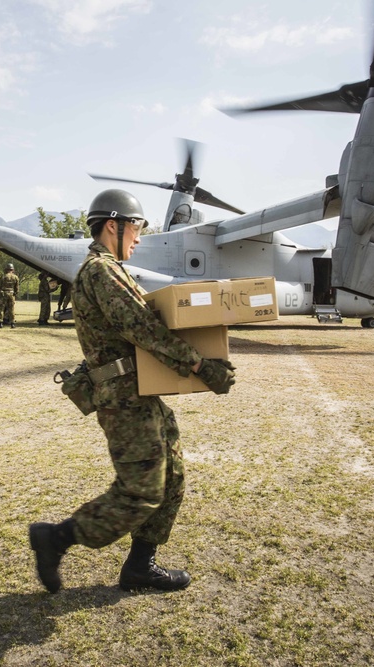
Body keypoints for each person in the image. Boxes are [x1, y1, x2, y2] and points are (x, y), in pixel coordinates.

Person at [28, 189, 235, 593]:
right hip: (122, 396)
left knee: (171, 477)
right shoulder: (101, 270)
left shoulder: (109, 269)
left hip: (140, 390)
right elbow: (142, 327)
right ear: (114, 225)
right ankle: (55, 539)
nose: (139, 238)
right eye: (137, 229)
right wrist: (199, 365)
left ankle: (141, 565)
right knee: (140, 490)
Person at [0, 262, 19, 329]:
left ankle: (0, 323)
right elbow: (17, 288)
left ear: (6, 269)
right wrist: (15, 293)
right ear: (12, 269)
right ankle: (12, 323)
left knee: (1, 309)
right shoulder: (16, 277)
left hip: (4, 294)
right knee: (11, 309)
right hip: (11, 294)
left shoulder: (3, 276)